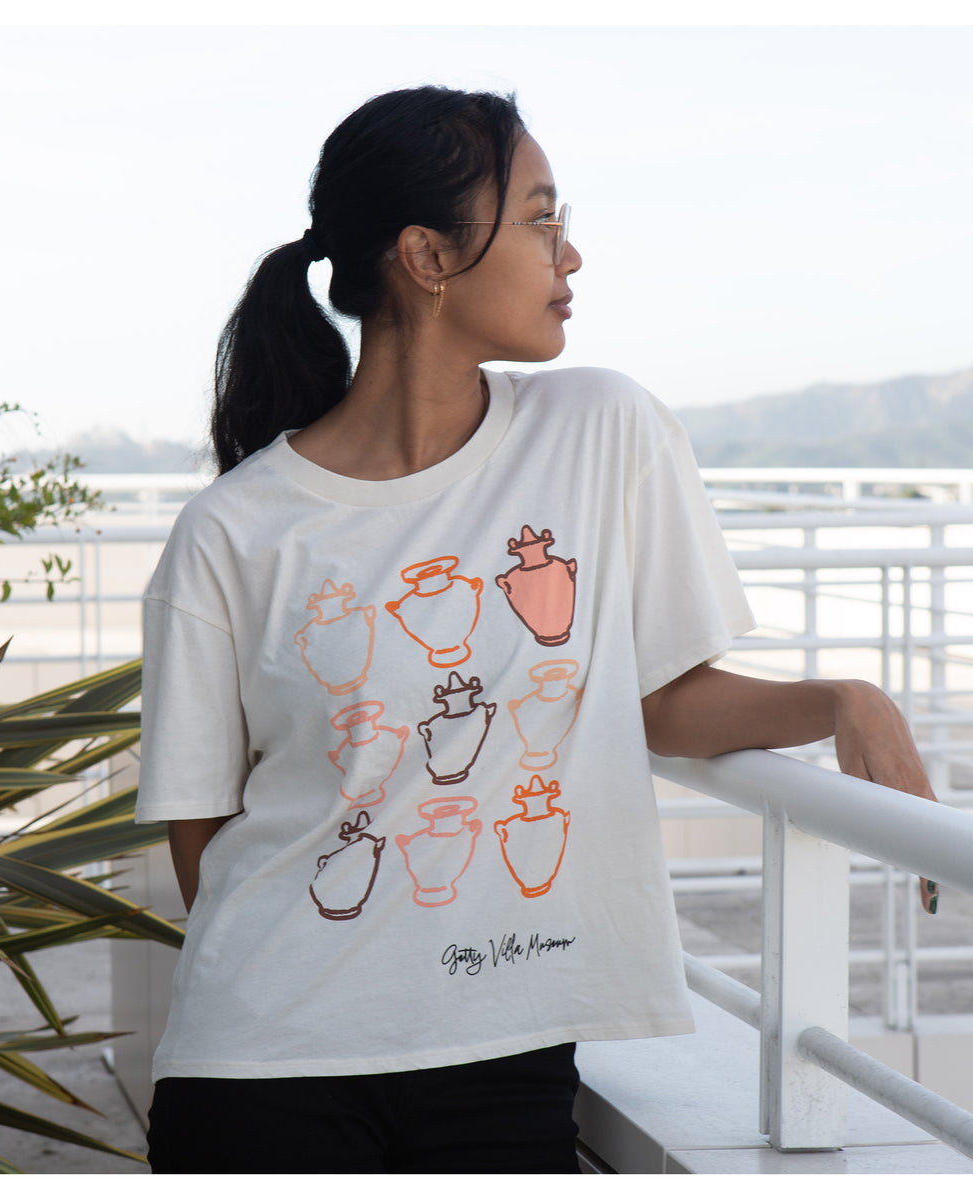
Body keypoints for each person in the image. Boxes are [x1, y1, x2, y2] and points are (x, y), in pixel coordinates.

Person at [135, 85, 937, 1174]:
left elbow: (654, 698)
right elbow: (202, 840)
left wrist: (844, 703)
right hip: (261, 1072)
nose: (570, 255)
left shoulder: (602, 429)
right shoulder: (232, 530)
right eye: (541, 219)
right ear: (426, 255)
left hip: (505, 1056)